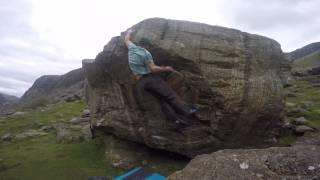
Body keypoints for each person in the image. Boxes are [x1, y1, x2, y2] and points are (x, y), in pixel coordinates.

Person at [124, 29, 196, 125]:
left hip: (141, 82)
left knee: (162, 99)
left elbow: (126, 40)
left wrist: (129, 32)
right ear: (147, 45)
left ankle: (174, 120)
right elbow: (153, 68)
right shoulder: (145, 53)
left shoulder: (132, 48)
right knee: (170, 95)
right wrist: (166, 68)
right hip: (150, 78)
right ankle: (187, 110)